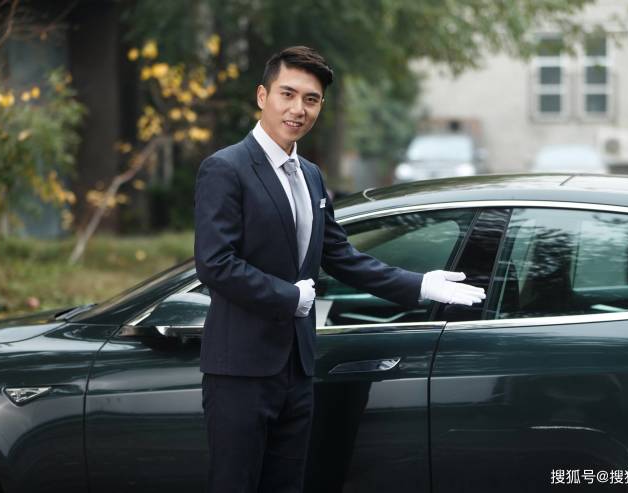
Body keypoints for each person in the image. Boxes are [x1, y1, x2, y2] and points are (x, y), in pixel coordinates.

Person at [193, 45, 485, 493]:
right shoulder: (225, 168)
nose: (298, 109)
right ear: (262, 96)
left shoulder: (310, 175)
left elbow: (341, 256)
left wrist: (420, 285)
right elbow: (215, 263)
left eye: (310, 100)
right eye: (288, 94)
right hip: (240, 372)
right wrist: (290, 297)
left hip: (298, 370)